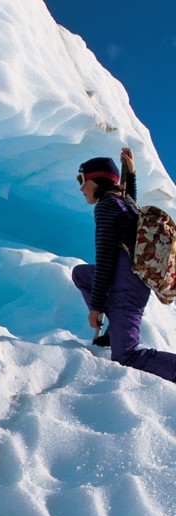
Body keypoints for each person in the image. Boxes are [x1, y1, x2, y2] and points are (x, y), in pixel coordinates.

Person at [72, 147, 176, 381]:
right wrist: (130, 174)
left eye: (82, 180)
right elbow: (130, 202)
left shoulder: (106, 207)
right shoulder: (123, 204)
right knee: (81, 274)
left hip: (126, 287)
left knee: (126, 355)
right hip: (131, 280)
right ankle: (113, 331)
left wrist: (96, 308)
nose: (81, 187)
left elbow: (105, 259)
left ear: (96, 181)